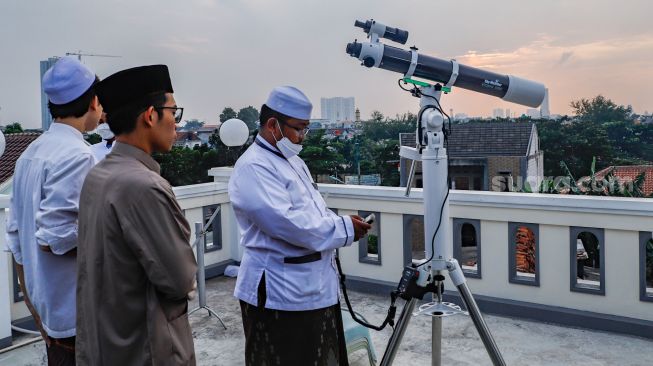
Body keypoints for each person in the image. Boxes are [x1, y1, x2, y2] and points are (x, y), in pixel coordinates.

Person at [229, 86, 372, 366]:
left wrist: (341, 223)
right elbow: (288, 224)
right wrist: (343, 229)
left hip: (314, 288)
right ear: (273, 125)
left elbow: (313, 212)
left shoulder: (293, 162)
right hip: (279, 295)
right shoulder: (253, 168)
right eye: (299, 129)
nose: (302, 137)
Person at [75, 65, 198, 366]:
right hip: (143, 348)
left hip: (106, 340)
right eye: (173, 113)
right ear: (150, 115)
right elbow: (180, 279)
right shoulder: (144, 186)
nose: (176, 124)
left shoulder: (99, 174)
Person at [5, 56, 102, 365]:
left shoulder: (31, 153)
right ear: (93, 101)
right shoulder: (78, 156)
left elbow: (17, 239)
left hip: (51, 311)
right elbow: (56, 238)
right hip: (78, 312)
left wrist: (33, 304)